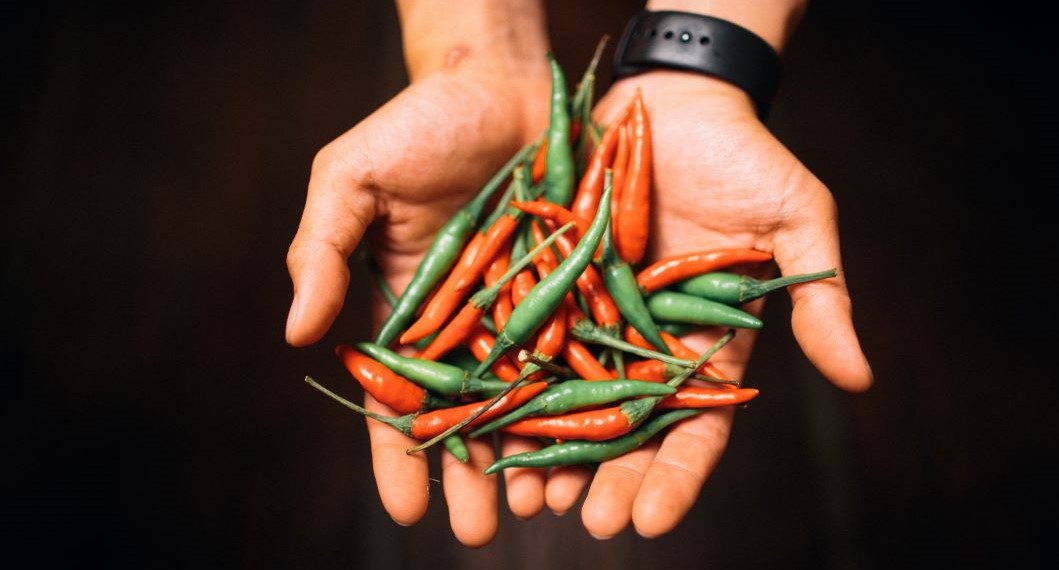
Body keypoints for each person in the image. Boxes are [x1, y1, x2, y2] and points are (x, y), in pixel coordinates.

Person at [284, 0, 872, 547]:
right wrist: (474, 46)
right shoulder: (528, 306)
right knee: (533, 354)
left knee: (556, 345)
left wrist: (700, 64)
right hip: (538, 346)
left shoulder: (556, 295)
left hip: (551, 341)